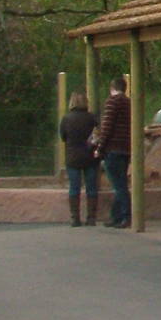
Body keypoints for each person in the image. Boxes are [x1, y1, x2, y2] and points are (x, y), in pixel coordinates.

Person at [95, 75, 133, 227]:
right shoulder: (129, 103)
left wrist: (100, 147)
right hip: (126, 147)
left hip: (113, 148)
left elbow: (107, 126)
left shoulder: (112, 102)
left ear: (112, 88)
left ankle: (125, 216)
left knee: (118, 185)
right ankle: (116, 216)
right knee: (121, 182)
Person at [59, 92, 99, 227]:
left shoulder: (66, 118)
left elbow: (63, 137)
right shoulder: (92, 118)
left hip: (73, 156)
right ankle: (91, 217)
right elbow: (98, 134)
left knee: (74, 187)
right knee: (91, 188)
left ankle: (75, 218)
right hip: (89, 156)